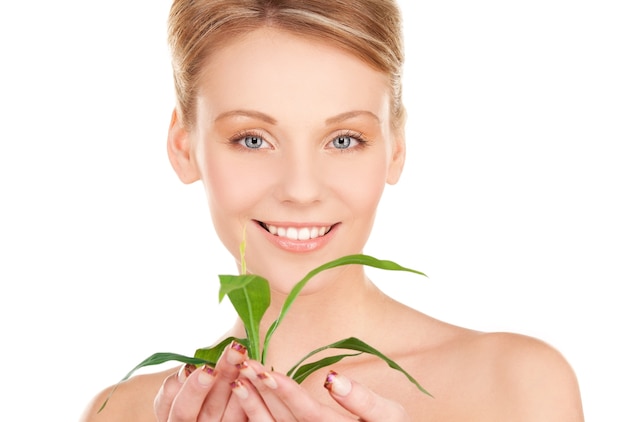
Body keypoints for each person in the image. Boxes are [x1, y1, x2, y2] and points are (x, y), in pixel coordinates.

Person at [81, 0, 584, 420]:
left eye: (344, 139)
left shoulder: (518, 389)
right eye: (252, 139)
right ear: (183, 146)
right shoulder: (122, 412)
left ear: (396, 148)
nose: (301, 189)